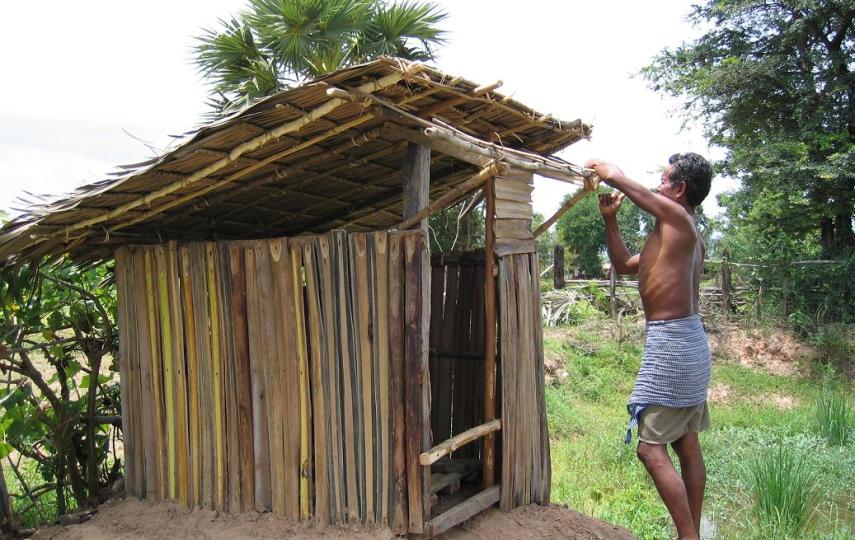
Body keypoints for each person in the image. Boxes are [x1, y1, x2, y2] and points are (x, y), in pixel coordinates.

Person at [585, 153, 713, 540]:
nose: (657, 185)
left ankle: (688, 537)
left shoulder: (678, 218)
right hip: (687, 342)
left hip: (672, 345)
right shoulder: (675, 232)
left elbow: (629, 186)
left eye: (663, 179)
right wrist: (610, 220)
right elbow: (624, 263)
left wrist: (607, 172)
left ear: (679, 189)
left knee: (649, 450)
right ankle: (690, 533)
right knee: (685, 444)